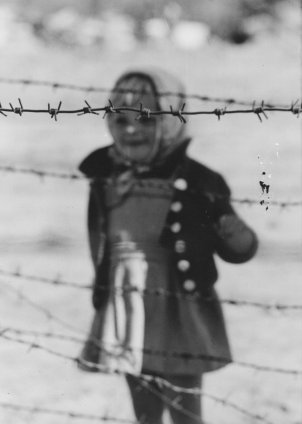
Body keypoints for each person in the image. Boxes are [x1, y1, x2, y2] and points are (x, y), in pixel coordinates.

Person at [77, 69, 258, 424]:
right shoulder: (105, 174)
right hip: (126, 295)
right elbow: (98, 233)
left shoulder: (199, 181)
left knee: (183, 404)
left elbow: (236, 247)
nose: (132, 130)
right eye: (120, 119)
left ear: (173, 120)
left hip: (179, 302)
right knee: (142, 399)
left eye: (146, 119)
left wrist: (238, 237)